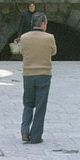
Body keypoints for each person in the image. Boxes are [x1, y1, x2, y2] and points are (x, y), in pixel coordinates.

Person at [19, 11, 56, 144]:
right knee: (40, 106)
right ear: (43, 24)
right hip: (44, 74)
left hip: (28, 74)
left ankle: (24, 130)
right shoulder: (49, 37)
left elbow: (21, 51)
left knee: (28, 104)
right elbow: (54, 51)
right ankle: (35, 136)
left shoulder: (24, 37)